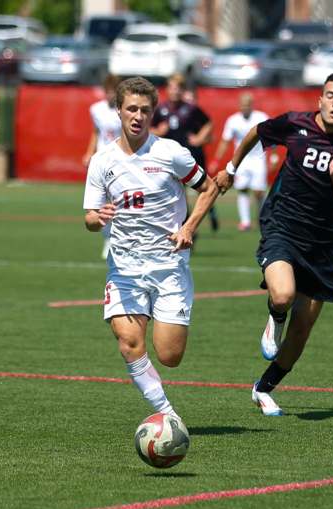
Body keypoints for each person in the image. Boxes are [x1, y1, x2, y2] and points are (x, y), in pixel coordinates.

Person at [214, 71, 333, 416]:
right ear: (320, 99)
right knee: (283, 295)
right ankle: (275, 315)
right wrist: (231, 167)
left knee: (303, 329)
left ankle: (263, 388)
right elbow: (257, 132)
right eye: (330, 95)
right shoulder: (296, 124)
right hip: (282, 225)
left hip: (323, 241)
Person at [83, 76, 220, 419]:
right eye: (131, 108)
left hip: (168, 265)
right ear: (118, 111)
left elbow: (210, 187)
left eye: (145, 110)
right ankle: (167, 414)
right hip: (125, 269)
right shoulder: (102, 161)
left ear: (152, 112)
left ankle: (165, 403)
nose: (137, 116)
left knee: (169, 356)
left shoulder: (170, 153)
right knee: (129, 342)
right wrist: (97, 217)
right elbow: (88, 217)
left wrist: (189, 227)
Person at [151, 74, 220, 233]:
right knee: (178, 193)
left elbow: (208, 122)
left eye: (178, 88)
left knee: (203, 188)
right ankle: (186, 226)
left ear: (183, 90)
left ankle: (210, 210)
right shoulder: (161, 109)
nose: (175, 91)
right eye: (172, 88)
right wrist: (158, 131)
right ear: (167, 90)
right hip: (169, 159)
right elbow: (148, 129)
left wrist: (200, 138)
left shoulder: (191, 108)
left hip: (192, 155)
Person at [210, 92, 269, 231]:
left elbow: (271, 137)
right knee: (242, 190)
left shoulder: (261, 118)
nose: (245, 107)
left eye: (247, 105)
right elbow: (225, 141)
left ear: (252, 105)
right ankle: (245, 222)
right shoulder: (233, 120)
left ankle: (263, 218)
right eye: (243, 105)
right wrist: (216, 159)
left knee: (259, 192)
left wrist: (273, 156)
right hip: (241, 160)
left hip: (259, 159)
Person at [82, 74, 123, 260]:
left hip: (120, 161)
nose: (109, 96)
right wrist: (89, 152)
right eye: (107, 92)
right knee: (100, 204)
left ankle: (118, 238)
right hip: (101, 161)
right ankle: (107, 239)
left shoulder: (123, 111)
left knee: (119, 201)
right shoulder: (96, 109)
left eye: (113, 92)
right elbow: (95, 132)